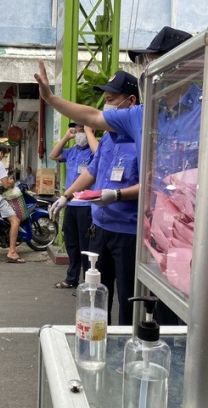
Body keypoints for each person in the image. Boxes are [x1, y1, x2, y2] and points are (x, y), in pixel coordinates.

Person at [36, 26, 194, 325]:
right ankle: (108, 347)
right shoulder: (142, 117)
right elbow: (92, 123)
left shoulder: (205, 110)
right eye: (145, 63)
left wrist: (118, 195)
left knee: (141, 306)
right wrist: (51, 99)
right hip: (114, 227)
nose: (148, 70)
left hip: (149, 232)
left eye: (152, 61)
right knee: (100, 296)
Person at [49, 72, 140, 325]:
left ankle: (124, 350)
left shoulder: (141, 138)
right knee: (96, 297)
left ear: (131, 102)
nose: (107, 105)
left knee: (128, 299)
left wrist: (117, 194)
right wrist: (66, 196)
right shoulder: (109, 138)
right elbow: (92, 172)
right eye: (106, 99)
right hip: (99, 227)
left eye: (112, 99)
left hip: (128, 234)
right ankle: (99, 345)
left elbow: (152, 185)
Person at [50, 123, 97, 291]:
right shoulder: (72, 151)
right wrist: (66, 137)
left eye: (81, 130)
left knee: (85, 245)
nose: (79, 133)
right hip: (70, 202)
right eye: (76, 130)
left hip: (87, 205)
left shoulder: (94, 149)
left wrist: (89, 133)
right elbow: (53, 155)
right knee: (71, 243)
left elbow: (99, 154)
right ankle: (72, 278)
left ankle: (87, 282)